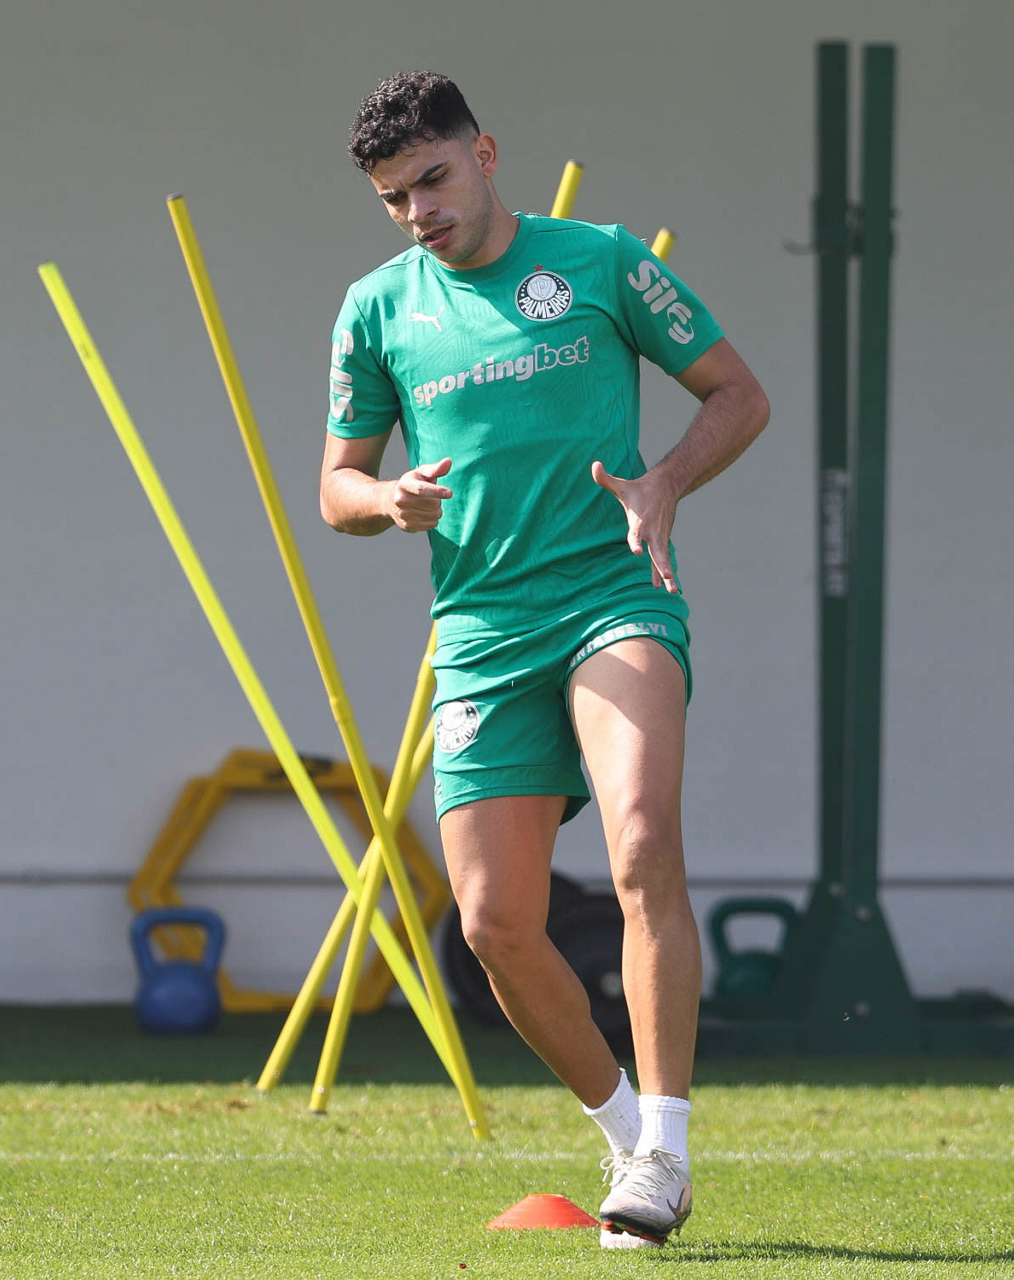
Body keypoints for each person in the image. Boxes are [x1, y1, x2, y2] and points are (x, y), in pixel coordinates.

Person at [320, 71, 769, 1249]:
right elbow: (335, 485)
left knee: (640, 841)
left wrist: (664, 480)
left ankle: (666, 1141)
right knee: (493, 925)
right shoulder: (375, 309)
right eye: (393, 197)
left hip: (613, 598)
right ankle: (626, 1135)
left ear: (484, 154)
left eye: (432, 179)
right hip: (479, 630)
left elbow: (738, 394)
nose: (418, 210)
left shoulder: (601, 260)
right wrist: (386, 498)